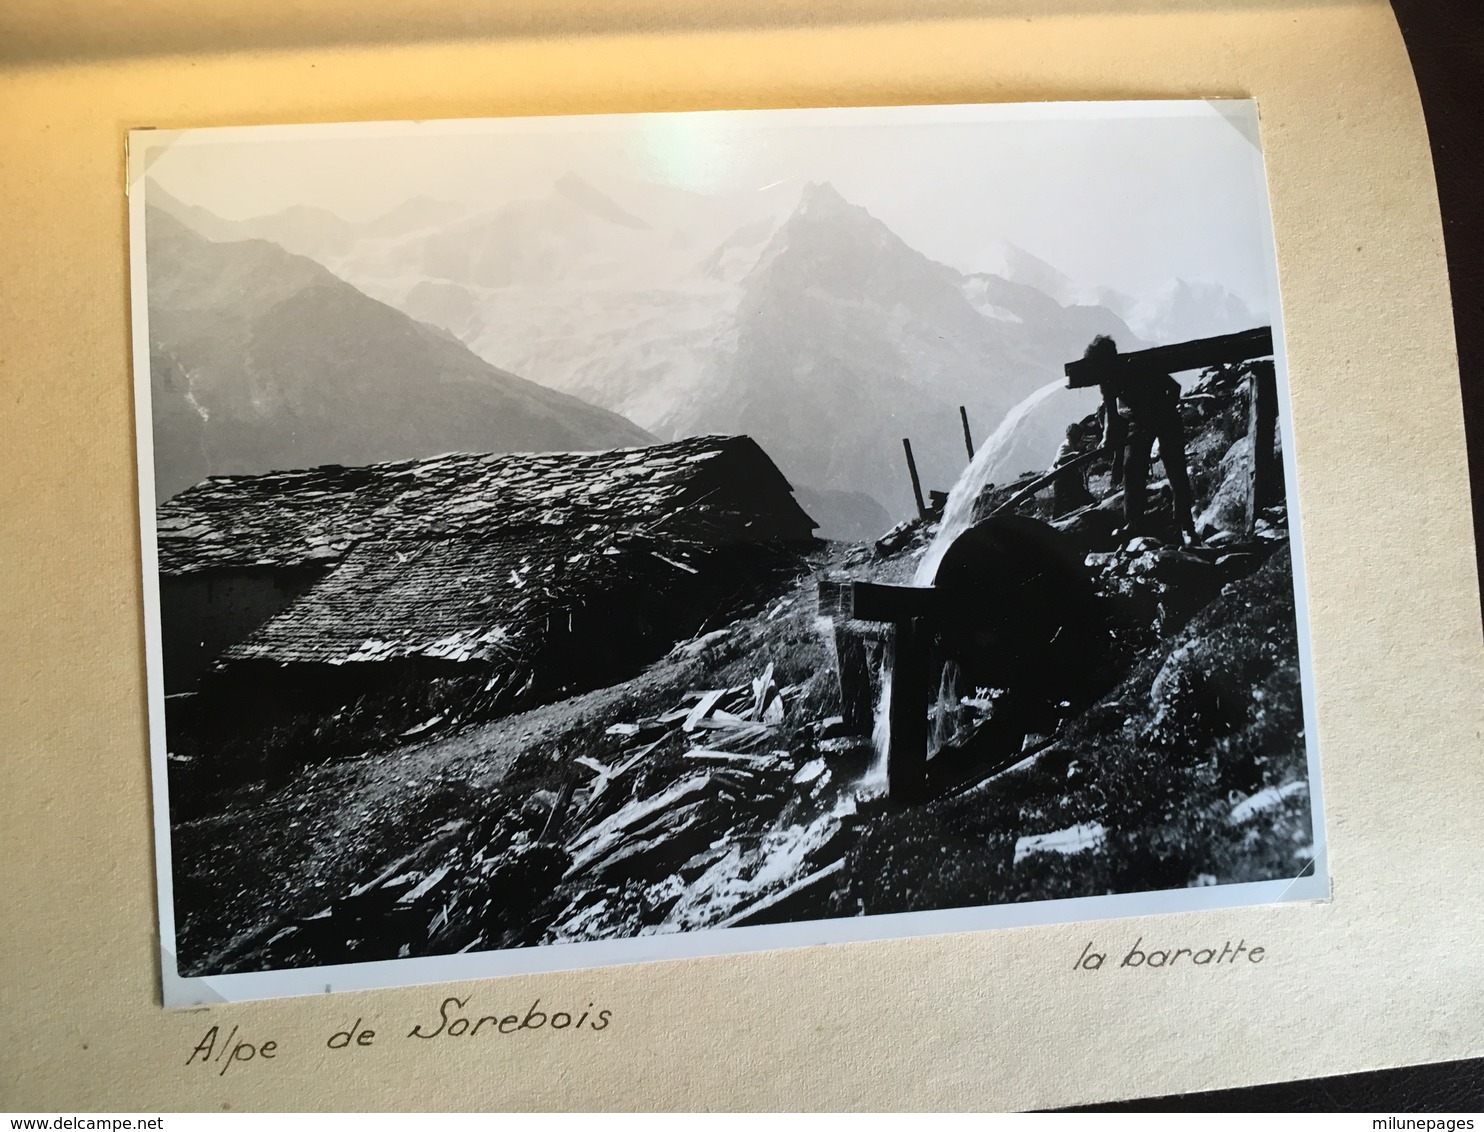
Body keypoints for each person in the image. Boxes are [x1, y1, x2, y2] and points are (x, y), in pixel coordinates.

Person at [1083, 334, 1198, 543]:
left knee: (1175, 469)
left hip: (1165, 418)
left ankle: (1185, 526)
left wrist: (1163, 411)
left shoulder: (1139, 365)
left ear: (1109, 359)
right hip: (1140, 423)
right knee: (1132, 469)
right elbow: (1110, 409)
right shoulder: (1106, 380)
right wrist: (1108, 438)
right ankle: (1134, 523)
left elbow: (1174, 388)